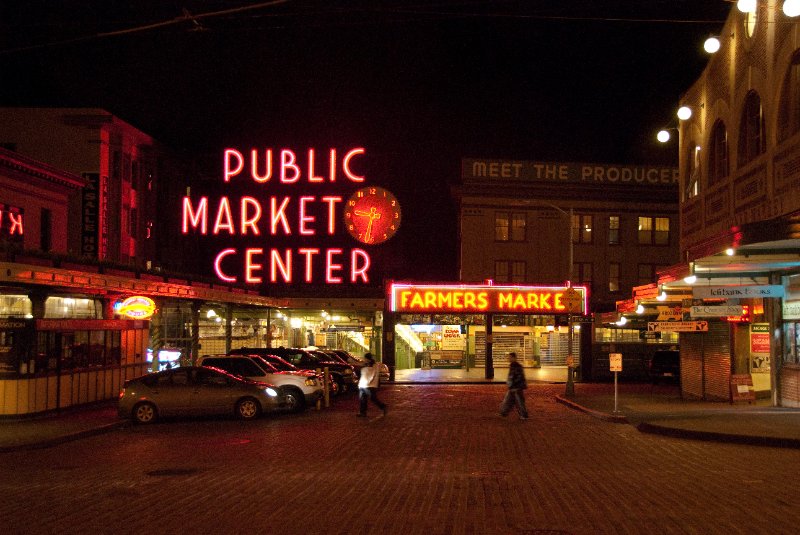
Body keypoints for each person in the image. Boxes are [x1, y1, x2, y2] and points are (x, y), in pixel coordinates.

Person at [500, 352, 528, 420]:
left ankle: (523, 415)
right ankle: (504, 412)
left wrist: (513, 385)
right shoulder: (512, 365)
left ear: (514, 358)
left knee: (519, 401)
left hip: (516, 387)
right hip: (513, 387)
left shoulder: (517, 366)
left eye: (510, 357)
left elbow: (519, 377)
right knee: (510, 400)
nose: (509, 359)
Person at [357, 352, 387, 417]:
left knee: (373, 398)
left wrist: (367, 382)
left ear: (368, 359)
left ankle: (383, 406)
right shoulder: (365, 365)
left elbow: (372, 375)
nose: (364, 359)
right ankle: (363, 412)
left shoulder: (373, 365)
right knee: (363, 399)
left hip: (370, 385)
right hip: (363, 385)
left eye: (365, 358)